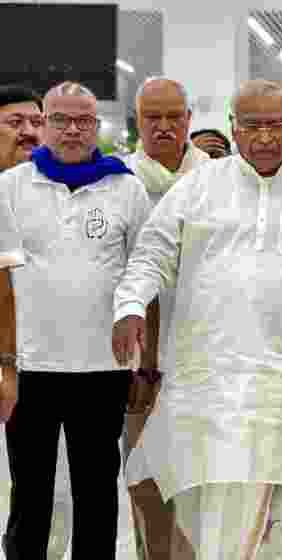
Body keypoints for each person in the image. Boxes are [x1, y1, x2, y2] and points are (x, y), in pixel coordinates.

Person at [112, 79, 282, 559]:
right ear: (234, 127)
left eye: (275, 125)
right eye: (252, 126)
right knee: (217, 522)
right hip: (213, 393)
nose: (265, 137)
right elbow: (151, 256)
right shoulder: (197, 188)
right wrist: (129, 306)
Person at [1, 81, 151, 558]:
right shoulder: (9, 187)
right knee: (30, 493)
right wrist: (5, 363)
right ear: (43, 123)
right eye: (60, 119)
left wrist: (142, 364)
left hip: (102, 369)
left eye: (83, 120)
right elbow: (1, 281)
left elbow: (142, 273)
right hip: (32, 368)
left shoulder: (126, 187)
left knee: (97, 494)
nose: (71, 130)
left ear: (97, 125)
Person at [121, 76, 209, 560]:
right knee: (147, 482)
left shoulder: (219, 180)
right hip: (141, 369)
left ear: (189, 120)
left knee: (202, 486)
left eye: (174, 116)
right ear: (138, 121)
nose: (163, 126)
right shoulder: (119, 182)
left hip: (208, 364)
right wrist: (144, 360)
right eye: (152, 116)